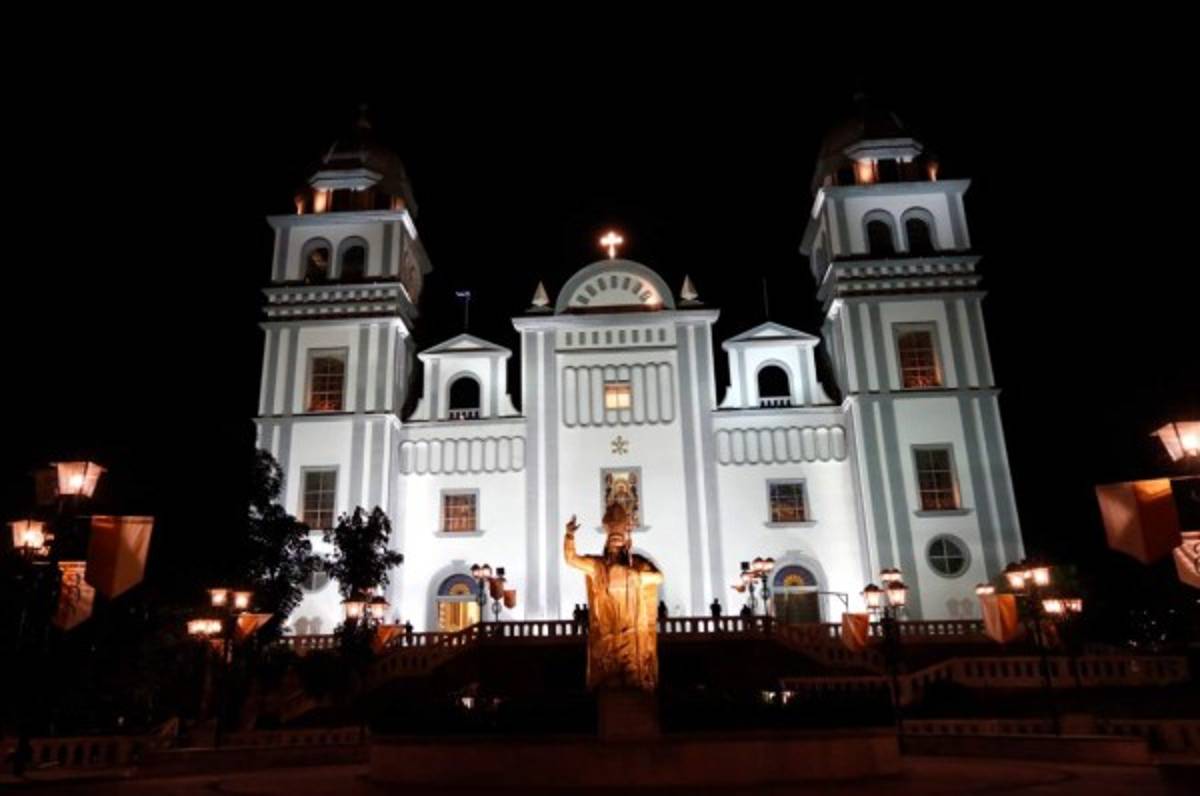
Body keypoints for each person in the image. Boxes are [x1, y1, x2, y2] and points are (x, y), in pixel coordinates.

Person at [564, 505, 663, 691]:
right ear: (606, 545)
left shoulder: (639, 565)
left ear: (626, 544)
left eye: (618, 542)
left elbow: (658, 577)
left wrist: (634, 576)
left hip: (632, 633)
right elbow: (571, 559)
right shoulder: (598, 566)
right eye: (612, 541)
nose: (615, 545)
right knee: (610, 679)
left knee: (634, 678)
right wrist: (569, 536)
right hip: (608, 633)